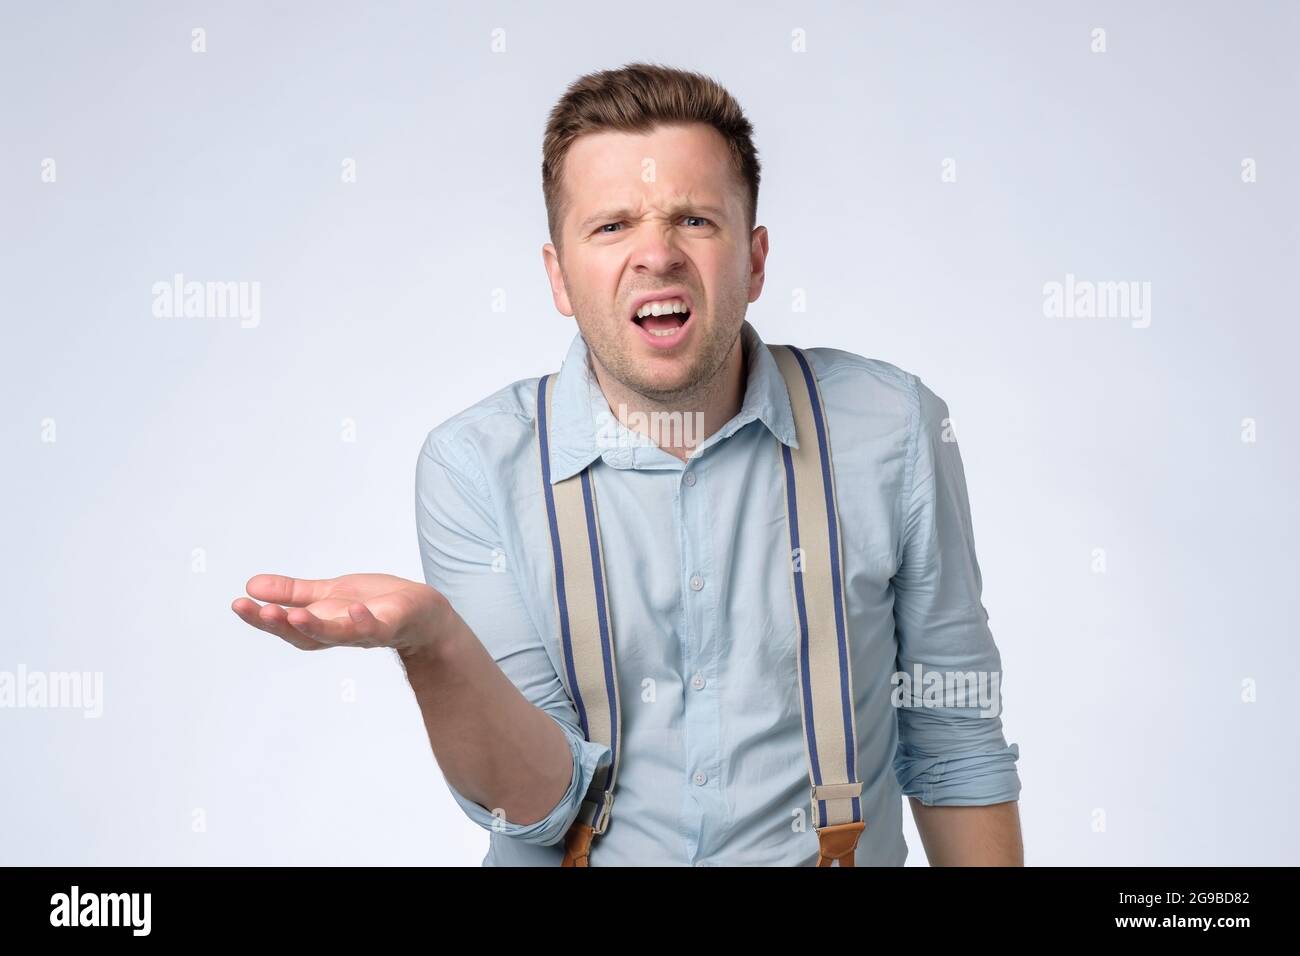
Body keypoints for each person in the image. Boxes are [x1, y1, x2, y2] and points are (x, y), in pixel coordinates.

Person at [231, 62, 1023, 866]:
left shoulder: (892, 428)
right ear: (558, 277)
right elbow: (537, 808)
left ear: (754, 262)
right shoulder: (475, 466)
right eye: (612, 226)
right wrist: (434, 643)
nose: (657, 255)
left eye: (695, 221)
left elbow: (955, 739)